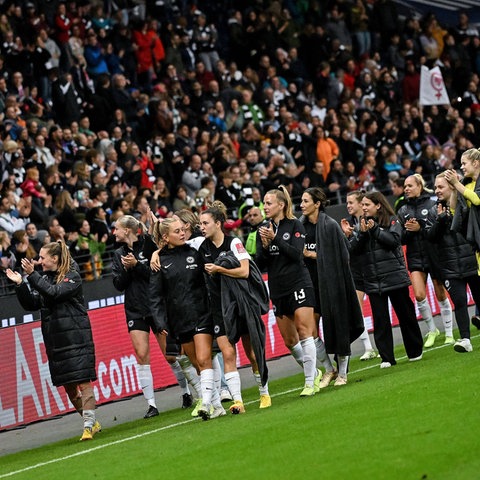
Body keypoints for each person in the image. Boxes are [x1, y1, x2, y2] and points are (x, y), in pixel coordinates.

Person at [5, 241, 100, 441]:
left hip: (76, 337)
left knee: (84, 383)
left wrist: (32, 275)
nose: (39, 261)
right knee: (69, 388)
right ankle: (91, 422)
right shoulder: (44, 279)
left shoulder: (72, 277)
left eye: (42, 257)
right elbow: (32, 303)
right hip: (55, 342)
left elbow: (55, 293)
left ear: (54, 258)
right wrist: (21, 285)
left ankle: (88, 426)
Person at [149, 217, 226, 420]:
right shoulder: (159, 262)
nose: (182, 233)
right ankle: (217, 406)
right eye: (177, 231)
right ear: (165, 237)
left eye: (183, 230)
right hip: (179, 320)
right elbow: (155, 296)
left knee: (203, 358)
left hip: (201, 314)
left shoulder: (195, 252)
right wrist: (159, 322)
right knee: (197, 364)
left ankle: (206, 402)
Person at [198, 201, 271, 413]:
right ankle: (238, 402)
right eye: (200, 223)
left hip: (241, 303)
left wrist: (220, 269)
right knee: (228, 354)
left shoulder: (234, 243)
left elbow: (245, 271)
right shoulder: (201, 247)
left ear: (218, 224)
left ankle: (264, 392)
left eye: (205, 223)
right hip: (219, 308)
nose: (201, 227)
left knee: (253, 354)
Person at [256, 186, 321, 395]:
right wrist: (265, 247)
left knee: (304, 331)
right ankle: (316, 371)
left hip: (299, 283)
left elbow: (296, 254)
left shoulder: (295, 225)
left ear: (281, 205)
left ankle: (310, 382)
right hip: (278, 288)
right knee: (290, 341)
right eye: (264, 203)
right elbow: (260, 262)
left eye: (268, 203)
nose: (265, 207)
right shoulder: (263, 229)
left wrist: (275, 239)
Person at [349, 192, 424, 368]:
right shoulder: (361, 225)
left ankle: (414, 351)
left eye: (367, 205)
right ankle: (387, 358)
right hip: (374, 281)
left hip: (394, 276)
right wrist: (360, 234)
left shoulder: (392, 219)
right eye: (364, 205)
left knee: (406, 316)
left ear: (378, 205)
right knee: (380, 321)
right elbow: (353, 250)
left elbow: (394, 241)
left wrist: (374, 229)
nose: (364, 208)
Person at [300, 187, 364, 387]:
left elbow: (343, 255)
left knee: (339, 328)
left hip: (332, 284)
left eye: (305, 201)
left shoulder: (330, 225)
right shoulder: (300, 227)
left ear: (317, 204)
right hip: (310, 285)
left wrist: (312, 255)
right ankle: (329, 369)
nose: (301, 205)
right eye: (301, 201)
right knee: (310, 332)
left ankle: (343, 373)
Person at [111, 215, 164, 419]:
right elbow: (118, 285)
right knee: (141, 355)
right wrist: (127, 268)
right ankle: (151, 404)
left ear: (128, 230)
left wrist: (138, 265)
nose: (114, 232)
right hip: (134, 309)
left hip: (155, 306)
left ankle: (188, 391)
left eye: (117, 229)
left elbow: (156, 274)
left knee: (170, 355)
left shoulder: (148, 245)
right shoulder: (118, 254)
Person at [425, 172, 480, 353]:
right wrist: (440, 220)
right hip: (449, 265)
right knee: (459, 302)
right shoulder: (434, 211)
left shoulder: (465, 204)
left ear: (451, 186)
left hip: (471, 260)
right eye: (435, 187)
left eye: (440, 187)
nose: (437, 190)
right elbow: (431, 237)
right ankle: (465, 339)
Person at [397, 174, 454, 347]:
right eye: (405, 186)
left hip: (433, 255)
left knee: (440, 293)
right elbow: (401, 239)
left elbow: (436, 231)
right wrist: (408, 231)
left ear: (419, 186)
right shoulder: (402, 210)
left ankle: (449, 332)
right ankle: (432, 330)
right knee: (419, 295)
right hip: (414, 257)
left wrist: (420, 228)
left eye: (409, 185)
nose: (406, 189)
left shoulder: (432, 204)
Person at [445, 147, 480, 332]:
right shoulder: (466, 185)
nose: (462, 167)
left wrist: (457, 185)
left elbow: (477, 200)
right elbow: (454, 211)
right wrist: (453, 190)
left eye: (464, 163)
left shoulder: (470, 186)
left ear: (475, 163)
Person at [340, 190, 378, 360]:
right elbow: (348, 249)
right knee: (357, 307)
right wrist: (347, 236)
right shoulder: (346, 223)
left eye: (351, 202)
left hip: (372, 268)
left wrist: (354, 233)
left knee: (380, 307)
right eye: (347, 203)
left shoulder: (369, 220)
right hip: (356, 270)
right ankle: (368, 348)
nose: (348, 206)